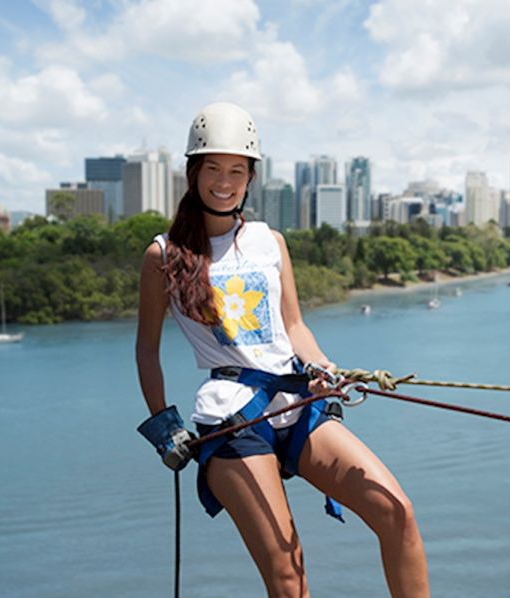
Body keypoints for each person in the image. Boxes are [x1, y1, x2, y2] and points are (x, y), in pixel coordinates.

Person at [135, 101, 429, 597]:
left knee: (396, 512)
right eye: (213, 169)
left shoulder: (270, 242)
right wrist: (165, 426)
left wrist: (322, 367)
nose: (224, 182)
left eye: (237, 170)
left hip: (296, 400)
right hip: (232, 419)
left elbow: (294, 325)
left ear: (251, 177)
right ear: (193, 173)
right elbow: (147, 350)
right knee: (288, 574)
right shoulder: (163, 255)